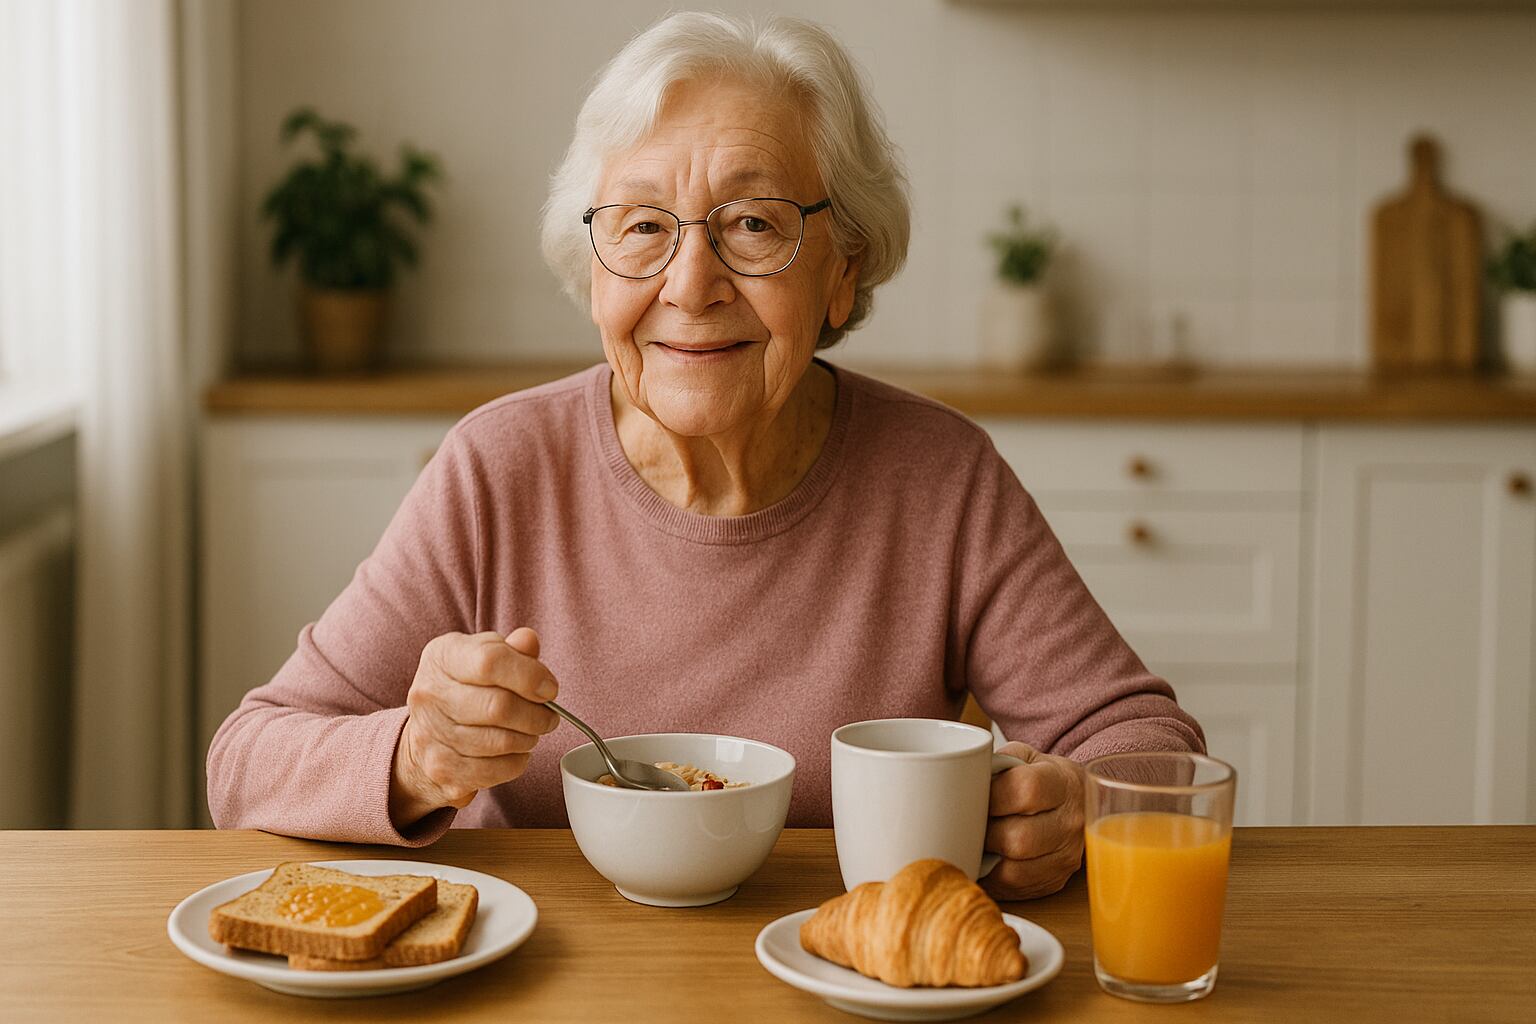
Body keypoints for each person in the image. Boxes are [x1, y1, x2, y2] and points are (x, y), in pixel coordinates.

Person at [207, 11, 1204, 900]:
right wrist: (418, 756)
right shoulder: (498, 468)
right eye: (643, 227)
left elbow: (1152, 756)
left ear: (841, 271)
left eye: (752, 225)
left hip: (842, 984)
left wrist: (1073, 806)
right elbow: (246, 762)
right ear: (594, 265)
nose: (691, 283)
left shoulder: (940, 479)